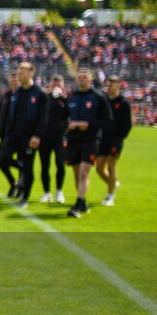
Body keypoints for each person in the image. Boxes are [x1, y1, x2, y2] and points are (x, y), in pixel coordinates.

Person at [65, 68, 113, 219]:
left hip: (90, 139)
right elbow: (62, 116)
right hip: (73, 139)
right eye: (79, 77)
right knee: (76, 172)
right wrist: (68, 124)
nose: (81, 80)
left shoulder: (98, 96)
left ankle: (78, 204)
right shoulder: (71, 96)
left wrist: (90, 124)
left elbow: (108, 119)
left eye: (84, 77)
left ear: (91, 79)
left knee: (84, 171)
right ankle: (83, 201)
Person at [0, 62, 48, 208]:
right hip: (13, 136)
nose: (19, 75)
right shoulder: (17, 93)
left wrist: (37, 136)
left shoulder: (40, 94)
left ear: (31, 73)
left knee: (28, 167)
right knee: (3, 158)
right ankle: (19, 176)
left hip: (29, 137)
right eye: (19, 72)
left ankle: (24, 197)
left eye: (22, 72)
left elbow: (43, 117)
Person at [95, 76, 132, 206]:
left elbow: (127, 124)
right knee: (99, 168)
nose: (109, 87)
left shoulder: (123, 102)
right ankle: (113, 184)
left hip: (116, 139)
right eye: (108, 84)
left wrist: (120, 138)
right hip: (103, 138)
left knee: (111, 166)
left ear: (118, 86)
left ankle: (110, 196)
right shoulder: (103, 100)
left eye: (112, 85)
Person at [38, 75, 68, 204]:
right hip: (45, 137)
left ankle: (59, 191)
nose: (56, 85)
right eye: (54, 83)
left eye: (58, 83)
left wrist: (63, 98)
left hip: (60, 137)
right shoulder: (45, 99)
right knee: (45, 166)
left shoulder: (66, 100)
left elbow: (69, 115)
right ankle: (46, 192)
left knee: (60, 164)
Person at [0, 72, 21, 197]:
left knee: (8, 158)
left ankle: (21, 188)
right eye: (12, 80)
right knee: (1, 160)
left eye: (15, 80)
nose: (13, 82)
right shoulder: (6, 96)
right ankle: (13, 182)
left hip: (20, 135)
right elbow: (1, 115)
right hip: (7, 134)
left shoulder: (22, 96)